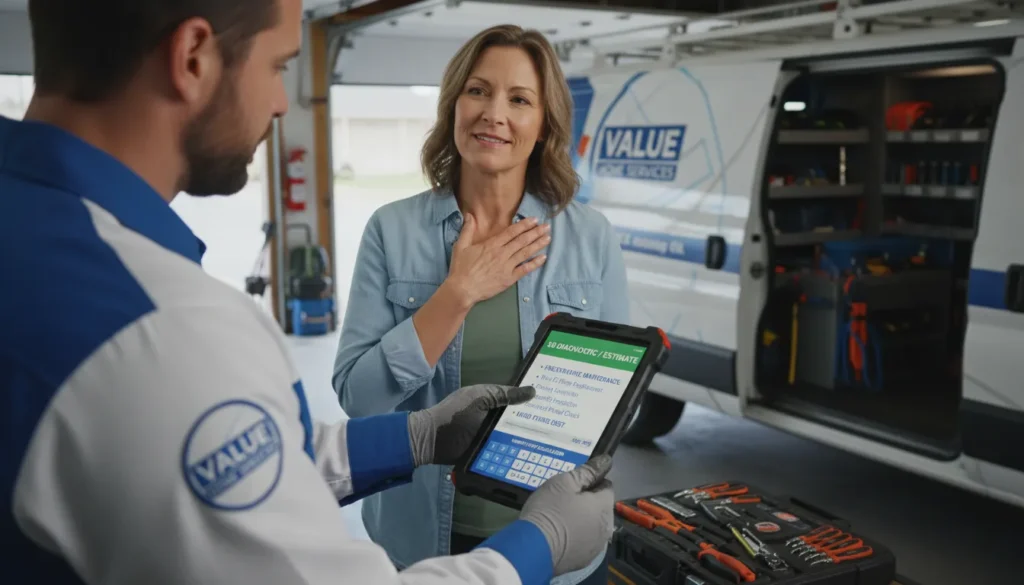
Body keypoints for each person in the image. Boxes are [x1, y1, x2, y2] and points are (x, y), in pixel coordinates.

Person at [0, 2, 615, 584]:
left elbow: (264, 457)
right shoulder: (162, 326)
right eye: (277, 66)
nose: (279, 102)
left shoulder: (39, 238)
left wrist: (416, 437)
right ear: (191, 57)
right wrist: (539, 546)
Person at [332, 24, 630, 585]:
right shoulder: (391, 231)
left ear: (543, 127)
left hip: (560, 545)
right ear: (453, 106)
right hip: (424, 542)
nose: (494, 112)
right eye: (478, 90)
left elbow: (617, 408)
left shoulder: (591, 239)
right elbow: (359, 397)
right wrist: (457, 293)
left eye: (519, 100)